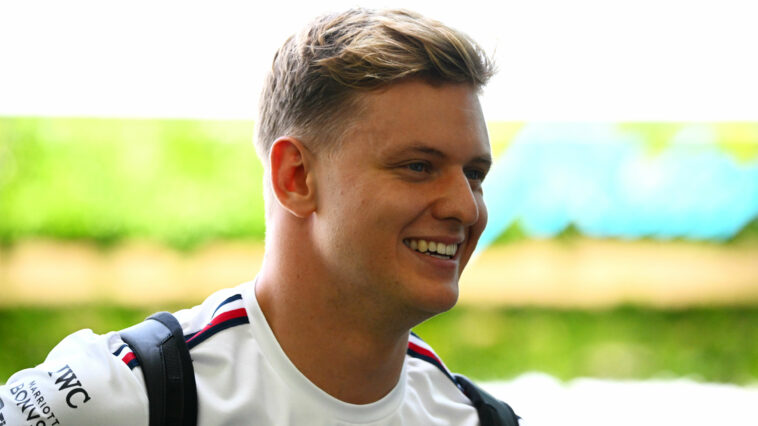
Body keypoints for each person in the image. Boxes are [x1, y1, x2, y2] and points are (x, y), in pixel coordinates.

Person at [0, 8, 520, 425]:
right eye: (418, 166)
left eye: (474, 174)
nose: (465, 207)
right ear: (295, 177)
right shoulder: (119, 395)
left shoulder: (479, 417)